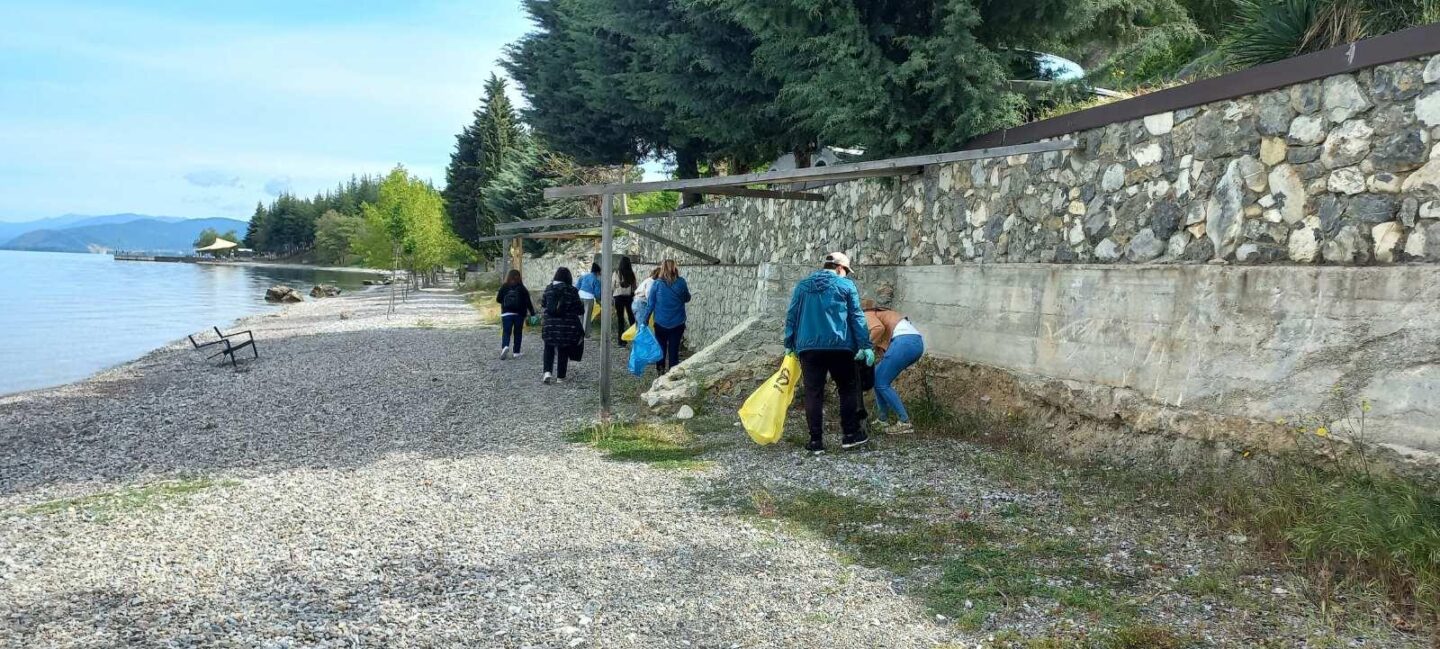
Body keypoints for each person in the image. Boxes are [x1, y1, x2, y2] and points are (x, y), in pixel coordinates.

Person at [784, 252, 874, 453]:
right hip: (840, 347)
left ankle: (815, 441)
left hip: (809, 348)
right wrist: (865, 345)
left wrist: (789, 342)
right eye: (846, 271)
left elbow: (792, 315)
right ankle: (850, 435)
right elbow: (856, 317)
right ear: (840, 268)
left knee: (813, 392)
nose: (846, 275)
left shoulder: (802, 286)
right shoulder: (846, 286)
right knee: (847, 389)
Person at [863, 299, 925, 434]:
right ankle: (882, 420)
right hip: (912, 343)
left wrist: (864, 348)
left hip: (904, 342)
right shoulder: (883, 315)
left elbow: (877, 329)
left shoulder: (866, 314)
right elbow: (881, 350)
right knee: (877, 377)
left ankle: (904, 422)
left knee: (881, 381)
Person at [638, 259, 690, 374]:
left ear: (662, 268)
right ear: (675, 268)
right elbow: (687, 298)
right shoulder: (681, 282)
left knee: (661, 348)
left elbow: (650, 305)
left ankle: (660, 371)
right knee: (674, 349)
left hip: (660, 323)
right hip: (678, 322)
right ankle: (672, 373)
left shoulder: (657, 284)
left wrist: (645, 320)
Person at [541, 267, 585, 384]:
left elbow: (543, 304)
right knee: (563, 349)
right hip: (566, 326)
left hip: (549, 324)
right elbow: (579, 310)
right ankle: (560, 377)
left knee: (548, 347)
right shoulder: (572, 290)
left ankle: (547, 372)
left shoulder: (549, 288)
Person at [495, 269, 535, 360]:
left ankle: (505, 346)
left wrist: (505, 303)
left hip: (506, 314)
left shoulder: (504, 286)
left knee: (506, 332)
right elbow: (528, 302)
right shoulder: (522, 288)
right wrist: (532, 313)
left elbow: (498, 299)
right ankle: (516, 352)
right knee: (518, 333)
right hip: (519, 314)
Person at [614, 256, 637, 348]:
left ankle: (621, 341)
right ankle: (635, 338)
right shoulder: (631, 274)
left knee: (620, 320)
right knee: (632, 318)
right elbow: (635, 287)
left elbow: (612, 286)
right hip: (629, 297)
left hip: (618, 297)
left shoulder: (616, 273)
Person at [575, 262, 603, 338]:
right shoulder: (596, 280)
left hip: (580, 296)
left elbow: (577, 286)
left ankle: (578, 332)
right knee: (587, 317)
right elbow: (597, 293)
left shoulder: (584, 276)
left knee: (580, 315)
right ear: (597, 272)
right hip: (589, 298)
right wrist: (599, 301)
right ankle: (586, 334)